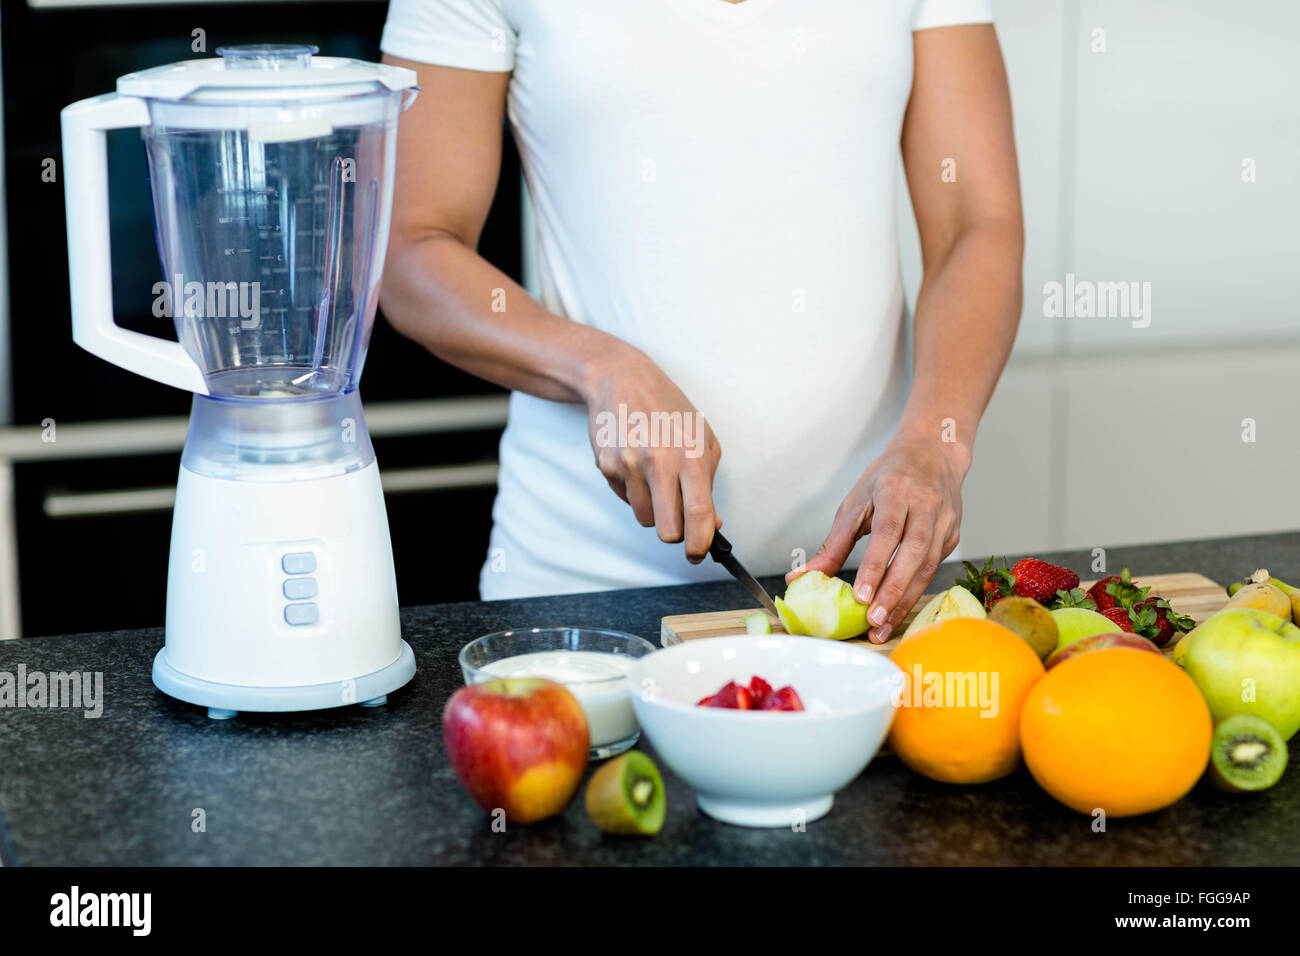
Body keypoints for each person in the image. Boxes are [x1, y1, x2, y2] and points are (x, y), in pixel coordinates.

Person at [379, 0, 1023, 642]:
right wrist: (600, 368)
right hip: (580, 596)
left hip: (881, 586)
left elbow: (977, 223)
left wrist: (937, 442)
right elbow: (411, 247)